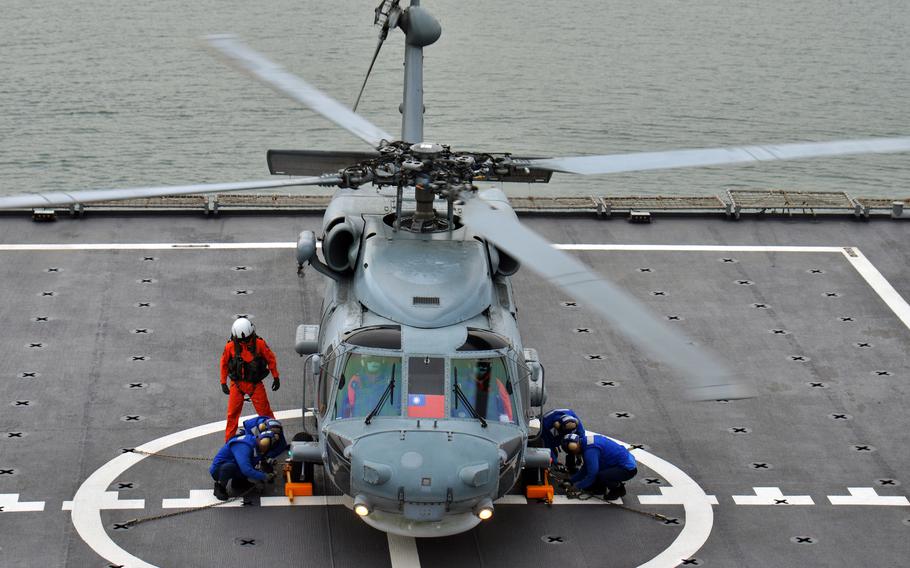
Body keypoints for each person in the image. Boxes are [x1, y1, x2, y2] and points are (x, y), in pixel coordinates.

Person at [219, 317, 280, 442]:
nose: (245, 341)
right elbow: (224, 363)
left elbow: (270, 359)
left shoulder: (260, 344)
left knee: (266, 414)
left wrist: (276, 376)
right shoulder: (230, 346)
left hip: (255, 385)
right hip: (237, 385)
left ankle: (275, 438)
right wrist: (223, 382)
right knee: (232, 415)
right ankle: (228, 443)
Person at [563, 432, 638, 501]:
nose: (574, 454)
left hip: (627, 469)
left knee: (602, 476)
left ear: (574, 447)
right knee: (593, 476)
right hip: (618, 462)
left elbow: (592, 474)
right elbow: (586, 468)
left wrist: (577, 487)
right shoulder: (586, 442)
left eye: (572, 452)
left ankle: (618, 489)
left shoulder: (590, 452)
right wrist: (571, 480)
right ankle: (600, 488)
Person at [210, 431, 277, 501]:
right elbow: (246, 469)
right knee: (230, 467)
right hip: (218, 469)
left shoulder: (255, 442)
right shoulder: (244, 446)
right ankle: (220, 487)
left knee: (247, 462)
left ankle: (238, 482)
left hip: (235, 463)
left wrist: (269, 469)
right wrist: (264, 476)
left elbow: (259, 459)